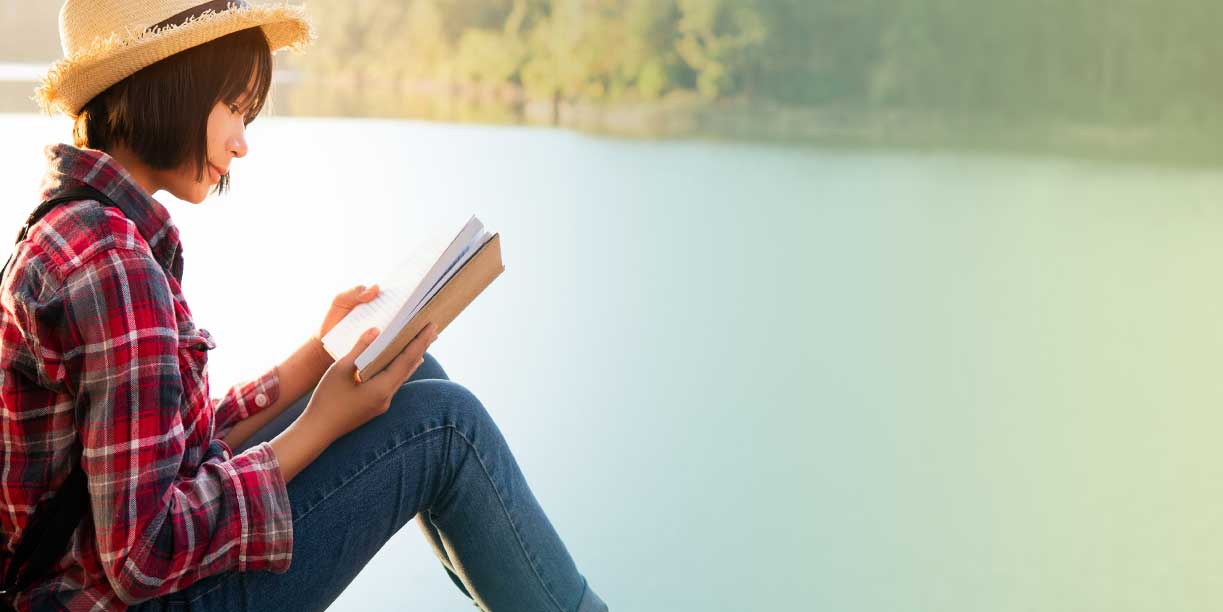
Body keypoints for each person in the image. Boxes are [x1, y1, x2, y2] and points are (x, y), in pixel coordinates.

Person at [0, 2, 608, 611]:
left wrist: (319, 356)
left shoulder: (73, 224)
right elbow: (144, 553)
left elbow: (174, 446)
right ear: (170, 84)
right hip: (127, 599)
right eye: (233, 107)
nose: (241, 143)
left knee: (410, 373)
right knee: (447, 424)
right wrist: (320, 424)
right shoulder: (113, 261)